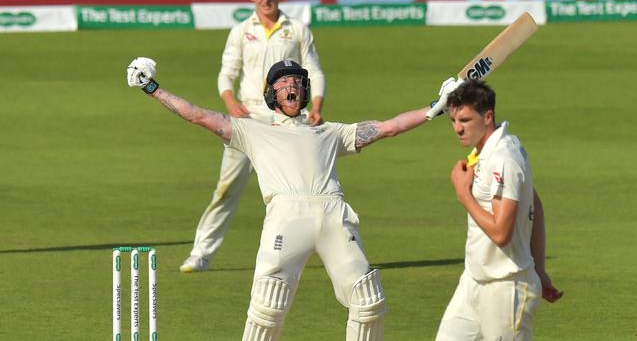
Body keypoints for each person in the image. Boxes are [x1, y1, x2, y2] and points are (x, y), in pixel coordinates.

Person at [126, 57, 453, 340]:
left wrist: (435, 107)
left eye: (296, 81)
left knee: (369, 303)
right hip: (286, 217)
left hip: (333, 214)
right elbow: (197, 115)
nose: (291, 86)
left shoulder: (330, 132)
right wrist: (151, 88)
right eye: (283, 83)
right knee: (267, 310)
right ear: (271, 94)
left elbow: (387, 128)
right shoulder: (251, 131)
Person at [180, 0, 327, 272]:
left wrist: (316, 105)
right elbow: (226, 73)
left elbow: (314, 70)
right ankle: (201, 253)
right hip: (248, 120)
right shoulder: (241, 31)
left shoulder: (296, 29)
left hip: (286, 121)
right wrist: (230, 102)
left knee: (299, 187)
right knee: (227, 187)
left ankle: (318, 248)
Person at [435, 79, 563, 341]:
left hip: (507, 288)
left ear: (488, 116)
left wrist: (463, 194)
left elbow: (502, 233)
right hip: (473, 280)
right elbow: (535, 205)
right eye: (453, 121)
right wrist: (539, 268)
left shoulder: (504, 159)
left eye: (466, 120)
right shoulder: (488, 149)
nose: (458, 129)